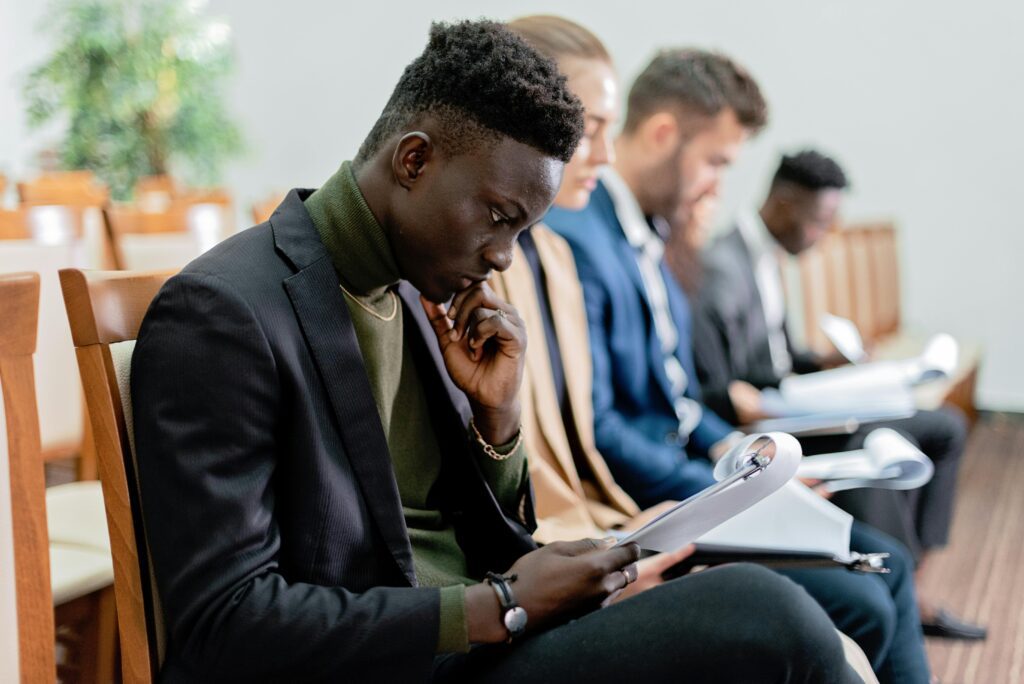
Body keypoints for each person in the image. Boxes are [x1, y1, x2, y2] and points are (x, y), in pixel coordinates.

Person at [130, 20, 858, 682]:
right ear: (413, 160)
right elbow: (224, 625)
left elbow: (478, 534)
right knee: (769, 615)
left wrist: (499, 427)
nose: (507, 259)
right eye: (501, 218)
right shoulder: (223, 312)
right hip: (392, 664)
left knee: (772, 614)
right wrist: (502, 606)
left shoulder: (416, 286)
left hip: (473, 642)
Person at [545, 48, 931, 683]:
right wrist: (717, 488)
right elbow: (600, 425)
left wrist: (743, 456)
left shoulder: (644, 234)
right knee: (868, 595)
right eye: (715, 162)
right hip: (652, 500)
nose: (717, 186)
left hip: (691, 477)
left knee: (886, 561)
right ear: (665, 134)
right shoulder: (581, 240)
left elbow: (680, 398)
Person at [690, 149, 985, 641]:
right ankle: (907, 588)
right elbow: (720, 387)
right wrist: (771, 398)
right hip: (764, 426)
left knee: (943, 426)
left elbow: (773, 356)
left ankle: (915, 575)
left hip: (792, 401)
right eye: (820, 222)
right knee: (874, 439)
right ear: (784, 205)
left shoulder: (765, 255)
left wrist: (826, 364)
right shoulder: (724, 266)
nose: (825, 235)